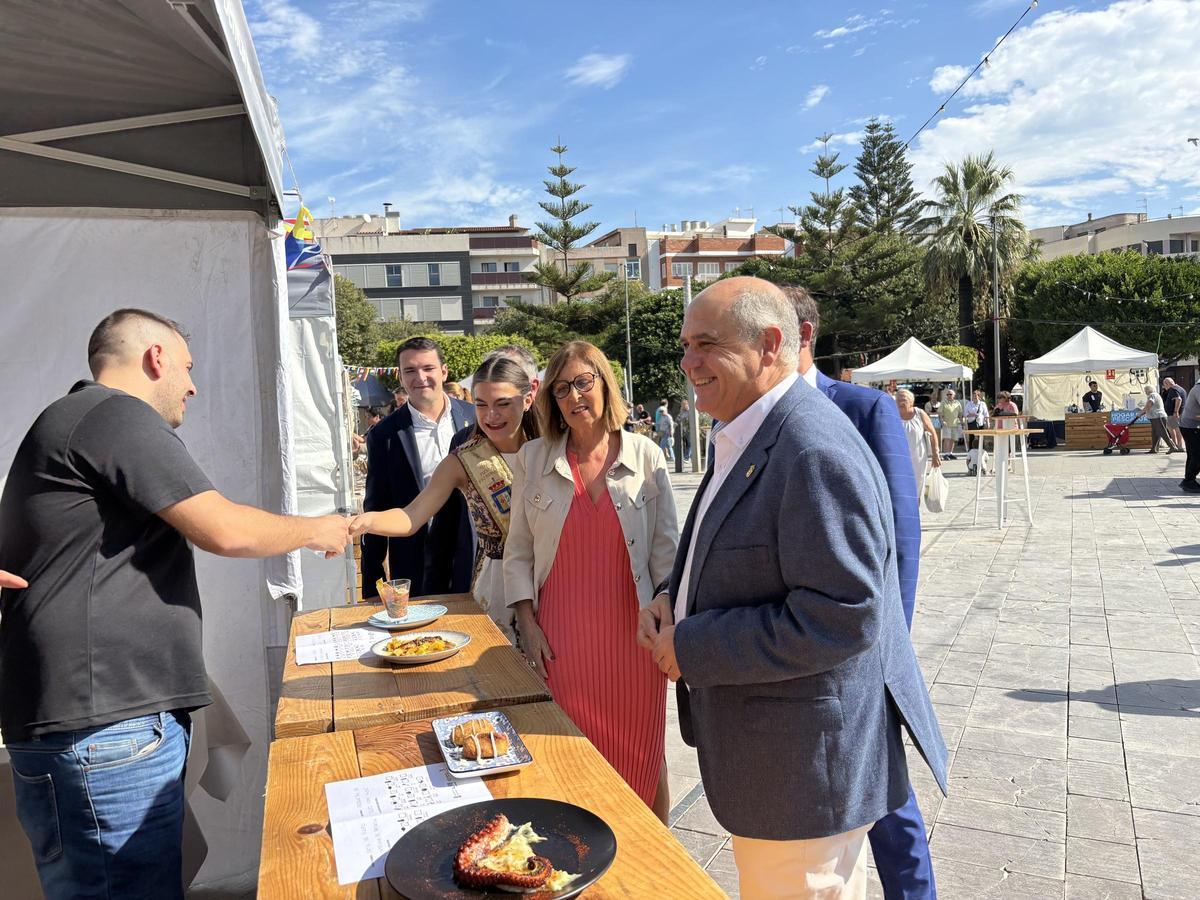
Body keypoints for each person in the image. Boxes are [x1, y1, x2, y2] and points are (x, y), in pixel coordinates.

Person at [0, 309, 350, 900]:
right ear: (156, 357)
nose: (192, 386)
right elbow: (224, 528)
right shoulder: (113, 414)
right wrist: (318, 529)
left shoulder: (74, 422)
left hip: (98, 723)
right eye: (187, 368)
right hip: (105, 726)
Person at [638, 277, 946, 898]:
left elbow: (843, 615)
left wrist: (692, 644)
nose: (688, 362)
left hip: (802, 778)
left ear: (770, 345)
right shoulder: (749, 432)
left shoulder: (809, 449)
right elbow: (734, 551)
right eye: (684, 345)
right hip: (776, 769)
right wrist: (677, 596)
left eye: (706, 344)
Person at [782, 287, 935, 896]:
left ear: (805, 335)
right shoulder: (745, 420)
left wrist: (884, 639)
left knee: (888, 796)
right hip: (797, 646)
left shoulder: (864, 409)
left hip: (862, 647)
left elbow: (902, 533)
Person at [504, 341, 679, 823]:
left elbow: (668, 555)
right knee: (573, 757)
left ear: (605, 383)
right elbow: (516, 550)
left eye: (584, 381)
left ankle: (653, 865)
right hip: (562, 639)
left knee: (643, 757)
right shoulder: (533, 458)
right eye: (562, 388)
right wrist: (527, 623)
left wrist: (667, 618)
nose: (575, 395)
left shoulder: (646, 455)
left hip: (634, 637)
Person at [352, 357, 538, 640]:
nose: (491, 416)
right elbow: (411, 516)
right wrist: (363, 522)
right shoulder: (464, 461)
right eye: (481, 404)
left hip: (554, 577)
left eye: (502, 404)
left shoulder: (553, 449)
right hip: (499, 588)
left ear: (528, 398)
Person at [361, 337, 476, 599]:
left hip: (473, 557)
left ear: (443, 371)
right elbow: (376, 507)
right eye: (410, 371)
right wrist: (373, 588)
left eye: (428, 368)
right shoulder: (384, 435)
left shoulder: (477, 418)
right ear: (400, 377)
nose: (420, 377)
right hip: (417, 563)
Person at [896, 390, 942, 507]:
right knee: (900, 489)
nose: (900, 402)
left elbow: (932, 433)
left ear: (911, 402)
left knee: (916, 490)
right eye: (898, 399)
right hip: (898, 460)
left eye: (904, 399)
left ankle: (914, 516)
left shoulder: (919, 414)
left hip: (918, 460)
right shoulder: (892, 415)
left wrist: (936, 454)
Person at [1140, 383, 1180, 454]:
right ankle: (1154, 448)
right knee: (1155, 433)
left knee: (1162, 432)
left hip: (1158, 417)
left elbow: (1150, 403)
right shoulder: (1156, 395)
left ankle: (1172, 447)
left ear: (1148, 390)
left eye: (1145, 390)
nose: (1145, 392)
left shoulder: (1152, 395)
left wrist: (1142, 412)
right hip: (1156, 417)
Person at [1178, 381, 1200, 493]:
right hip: (1190, 426)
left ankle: (1189, 480)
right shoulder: (1199, 389)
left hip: (1192, 426)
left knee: (1194, 454)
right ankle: (1188, 481)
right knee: (1196, 454)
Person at [939, 388, 964, 460]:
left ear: (954, 395)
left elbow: (960, 413)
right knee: (947, 438)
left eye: (950, 394)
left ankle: (950, 453)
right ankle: (945, 454)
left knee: (953, 439)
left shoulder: (957, 403)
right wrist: (942, 420)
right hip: (946, 423)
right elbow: (940, 413)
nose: (949, 395)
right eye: (948, 394)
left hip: (955, 423)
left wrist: (962, 422)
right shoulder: (944, 402)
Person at [1162, 377, 1186, 450]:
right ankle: (1176, 446)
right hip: (1178, 413)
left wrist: (1176, 412)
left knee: (1175, 429)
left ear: (1168, 383)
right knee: (1173, 428)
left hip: (1173, 414)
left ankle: (1178, 446)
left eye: (1164, 384)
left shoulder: (1173, 389)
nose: (1164, 386)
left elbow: (1178, 399)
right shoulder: (1180, 388)